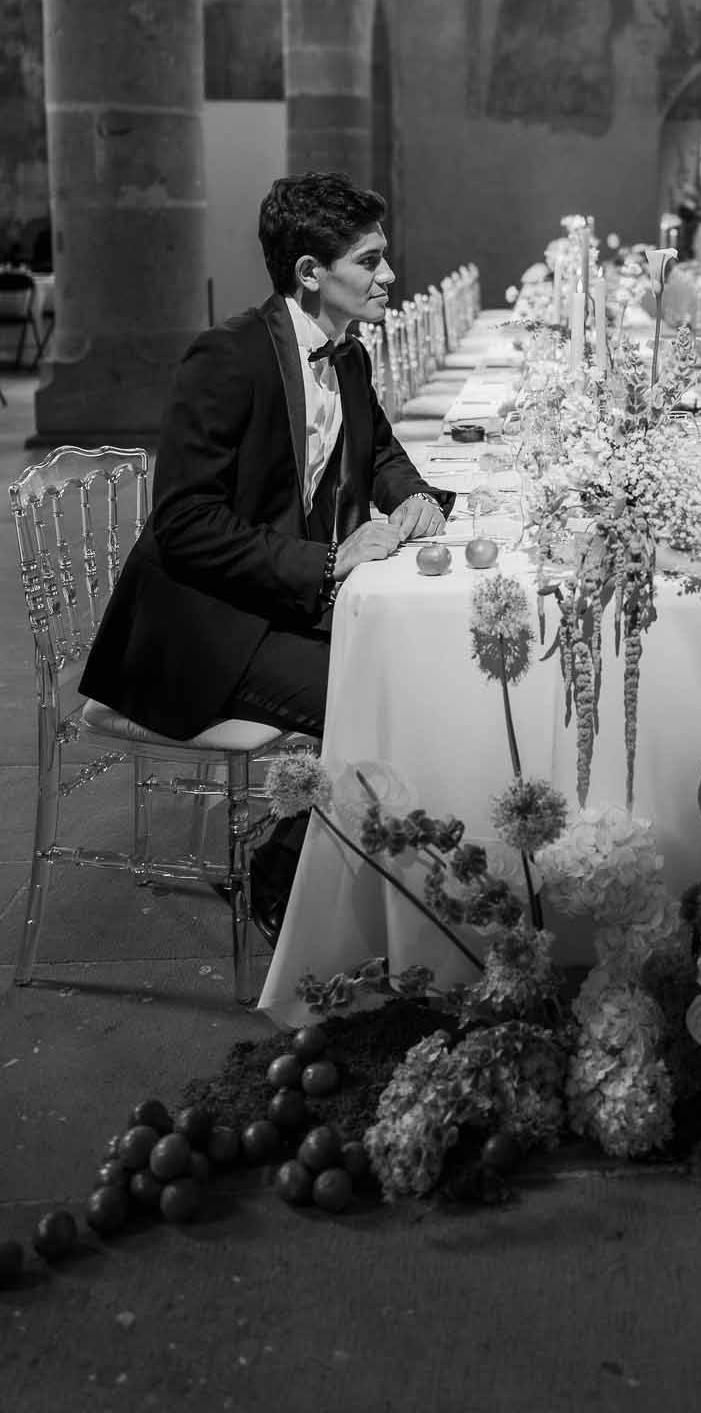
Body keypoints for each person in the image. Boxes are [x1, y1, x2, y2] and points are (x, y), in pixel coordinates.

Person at [82, 172, 453, 935]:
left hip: (278, 603)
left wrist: (414, 496)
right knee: (388, 696)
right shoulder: (228, 357)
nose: (388, 276)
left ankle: (293, 867)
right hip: (205, 627)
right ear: (309, 273)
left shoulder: (345, 354)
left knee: (419, 661)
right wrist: (326, 565)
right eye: (370, 261)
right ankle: (292, 881)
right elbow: (184, 523)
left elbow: (376, 448)